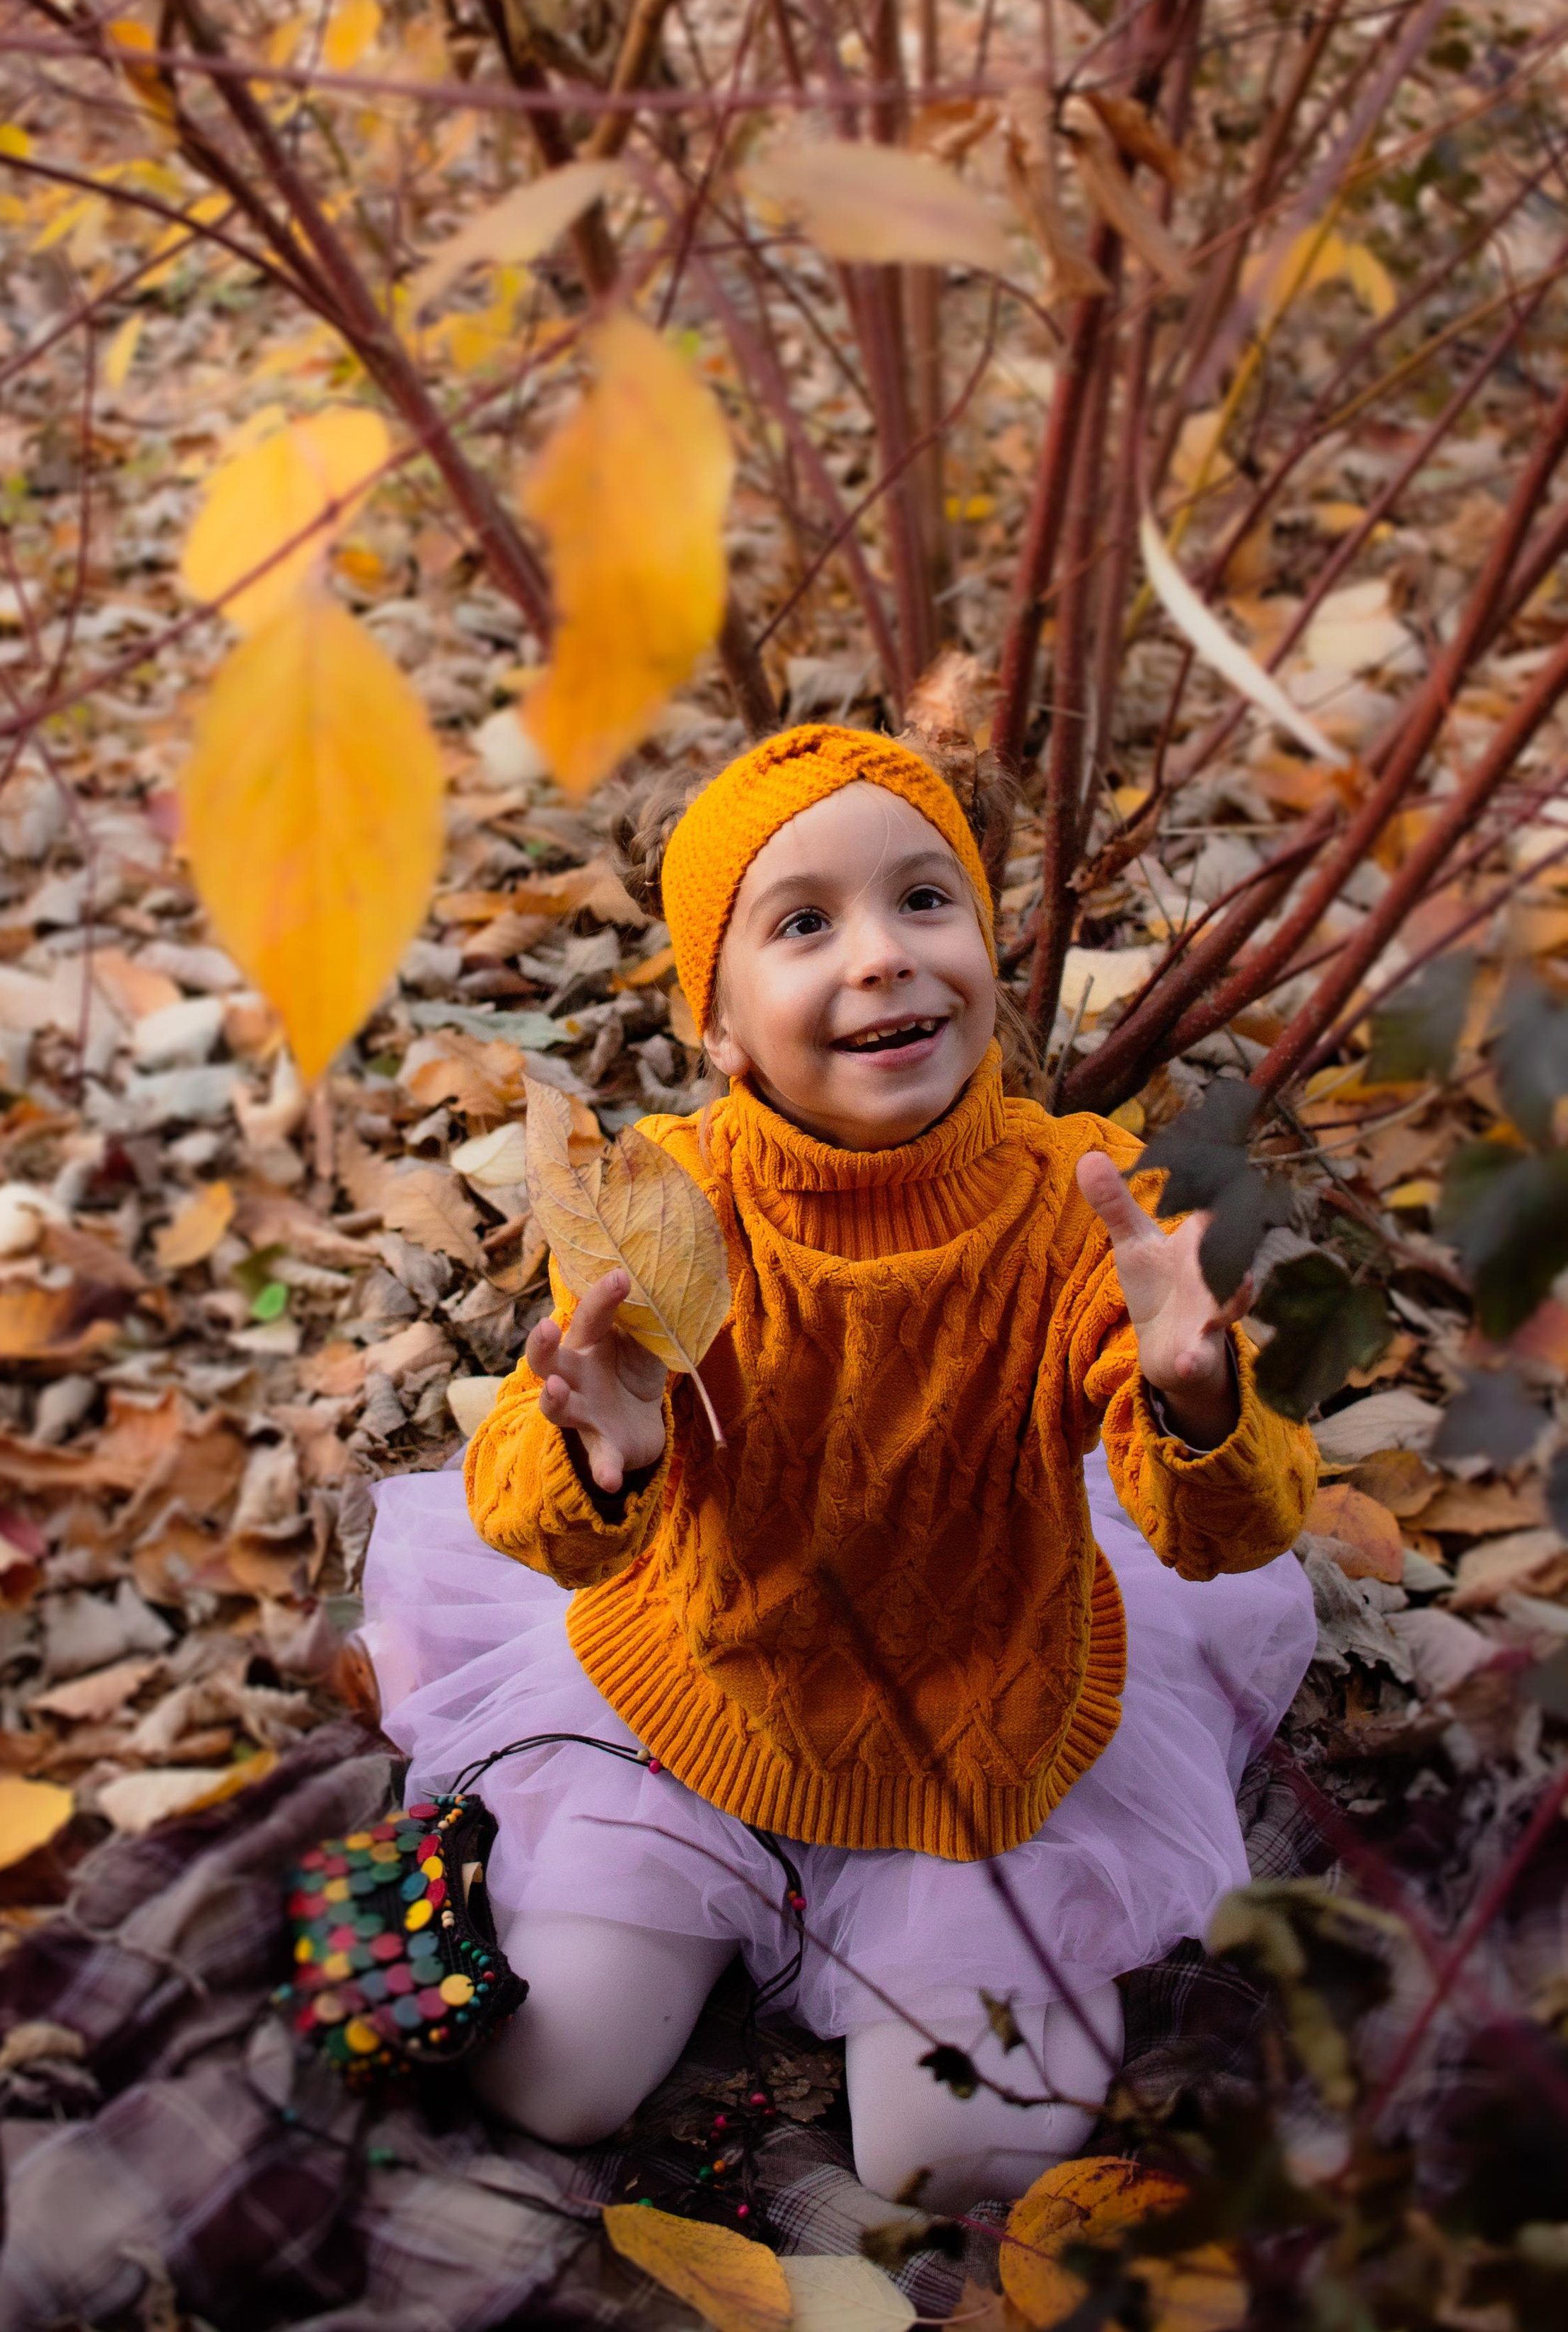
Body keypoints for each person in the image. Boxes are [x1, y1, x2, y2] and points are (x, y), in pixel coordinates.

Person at [359, 724, 1317, 2208]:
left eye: (923, 901)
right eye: (803, 923)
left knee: (954, 2161)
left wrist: (1192, 1401)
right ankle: (663, 1901)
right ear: (723, 1025)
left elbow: (1218, 1535)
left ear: (987, 952)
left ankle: (911, 1962)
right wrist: (598, 1458)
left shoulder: (1074, 1209)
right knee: (551, 2082)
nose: (879, 957)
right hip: (706, 1700)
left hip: (970, 1725)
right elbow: (527, 1518)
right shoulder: (675, 1202)